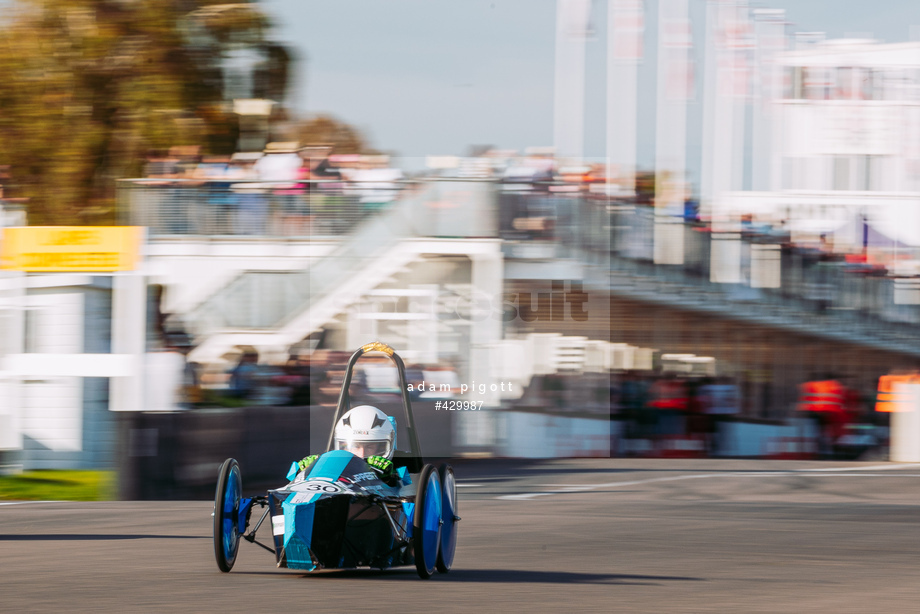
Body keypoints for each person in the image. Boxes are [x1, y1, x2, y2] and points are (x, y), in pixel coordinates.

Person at [293, 405, 399, 485]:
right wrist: (305, 471)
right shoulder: (333, 464)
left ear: (381, 447)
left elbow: (405, 489)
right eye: (355, 446)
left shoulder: (396, 470)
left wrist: (388, 478)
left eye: (369, 447)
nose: (361, 455)